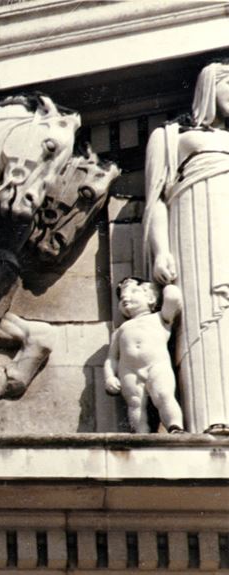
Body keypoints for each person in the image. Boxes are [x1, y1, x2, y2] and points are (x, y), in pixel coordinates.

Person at [144, 62, 229, 434]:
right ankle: (214, 416)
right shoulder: (171, 136)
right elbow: (156, 201)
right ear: (210, 87)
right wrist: (160, 250)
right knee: (209, 319)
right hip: (198, 234)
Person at [104, 278, 184, 433]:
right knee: (135, 403)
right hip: (128, 370)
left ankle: (175, 427)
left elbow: (173, 297)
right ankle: (141, 435)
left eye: (134, 292)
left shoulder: (160, 318)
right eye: (121, 297)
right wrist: (109, 377)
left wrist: (167, 283)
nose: (126, 297)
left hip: (156, 364)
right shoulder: (121, 329)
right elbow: (111, 358)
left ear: (150, 298)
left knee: (163, 395)